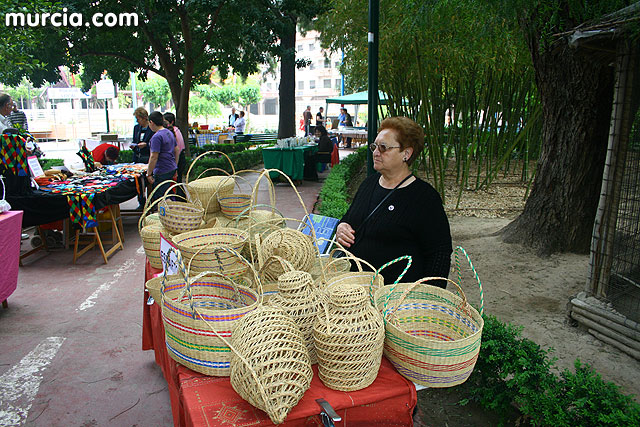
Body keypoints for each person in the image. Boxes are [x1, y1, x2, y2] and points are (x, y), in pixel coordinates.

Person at [335, 116, 452, 287]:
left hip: (396, 299)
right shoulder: (369, 183)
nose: (375, 152)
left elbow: (439, 254)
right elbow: (350, 219)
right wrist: (342, 227)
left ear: (406, 153)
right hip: (356, 291)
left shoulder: (425, 198)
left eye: (383, 148)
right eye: (374, 146)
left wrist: (428, 298)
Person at [146, 111, 179, 208]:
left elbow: (154, 157)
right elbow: (176, 150)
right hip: (171, 167)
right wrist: (175, 166)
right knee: (166, 194)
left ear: (151, 122)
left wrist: (149, 173)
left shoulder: (157, 137)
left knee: (161, 198)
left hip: (162, 169)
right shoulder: (169, 132)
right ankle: (173, 214)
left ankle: (170, 216)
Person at [163, 112, 186, 182]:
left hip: (177, 159)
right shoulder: (176, 130)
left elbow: (176, 149)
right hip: (179, 158)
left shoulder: (173, 132)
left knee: (176, 182)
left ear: (172, 122)